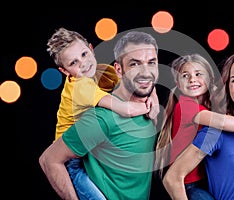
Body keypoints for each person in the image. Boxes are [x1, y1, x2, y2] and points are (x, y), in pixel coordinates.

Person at [39, 30, 159, 200]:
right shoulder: (82, 88)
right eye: (74, 62)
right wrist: (149, 107)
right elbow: (125, 109)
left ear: (91, 49)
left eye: (84, 54)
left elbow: (140, 80)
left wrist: (151, 94)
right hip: (70, 160)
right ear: (65, 71)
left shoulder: (102, 72)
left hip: (85, 148)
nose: (83, 64)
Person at [154, 53, 234, 200]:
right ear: (178, 84)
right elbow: (221, 122)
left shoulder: (213, 108)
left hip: (202, 177)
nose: (193, 79)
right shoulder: (190, 108)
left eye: (199, 74)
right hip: (190, 184)